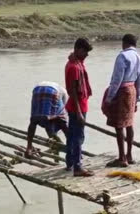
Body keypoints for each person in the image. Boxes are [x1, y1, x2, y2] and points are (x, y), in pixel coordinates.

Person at [103, 34, 140, 167]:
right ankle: (129, 154)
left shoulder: (123, 56)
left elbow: (117, 79)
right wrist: (138, 97)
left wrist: (109, 97)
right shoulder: (139, 58)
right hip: (132, 89)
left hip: (122, 90)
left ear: (124, 43)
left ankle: (122, 158)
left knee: (119, 124)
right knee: (129, 122)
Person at [65, 38, 94, 177]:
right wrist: (79, 113)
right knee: (78, 136)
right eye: (85, 51)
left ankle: (70, 162)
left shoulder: (77, 63)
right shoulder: (74, 67)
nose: (86, 54)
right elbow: (73, 91)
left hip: (78, 106)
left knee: (72, 135)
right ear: (77, 49)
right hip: (77, 107)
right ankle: (77, 166)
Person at [25, 81, 68, 158]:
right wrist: (54, 117)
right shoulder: (64, 93)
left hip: (37, 90)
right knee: (61, 118)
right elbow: (63, 112)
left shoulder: (60, 89)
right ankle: (71, 144)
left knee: (34, 119)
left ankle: (29, 147)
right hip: (53, 91)